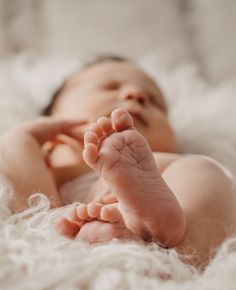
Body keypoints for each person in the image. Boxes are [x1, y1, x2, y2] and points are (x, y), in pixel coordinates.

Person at [1, 55, 236, 268]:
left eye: (155, 102)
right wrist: (23, 138)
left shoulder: (167, 163)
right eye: (110, 86)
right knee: (31, 206)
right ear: (54, 126)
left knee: (203, 171)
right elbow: (27, 209)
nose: (137, 94)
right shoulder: (48, 170)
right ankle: (125, 232)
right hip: (74, 230)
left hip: (167, 201)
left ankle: (168, 240)